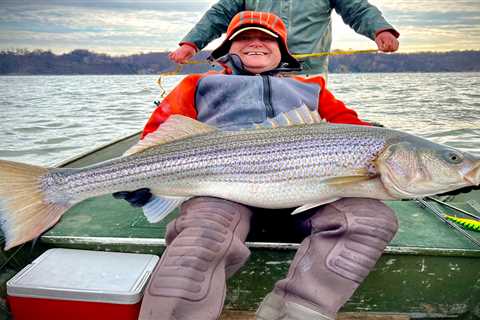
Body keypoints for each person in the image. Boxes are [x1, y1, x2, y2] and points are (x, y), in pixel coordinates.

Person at [114, 11, 398, 320]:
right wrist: (140, 177)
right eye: (244, 38)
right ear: (227, 48)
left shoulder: (313, 88)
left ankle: (293, 313)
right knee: (203, 233)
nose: (256, 43)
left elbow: (357, 134)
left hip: (311, 195)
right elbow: (156, 136)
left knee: (371, 219)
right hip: (221, 194)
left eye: (267, 39)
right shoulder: (198, 84)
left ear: (282, 50)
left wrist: (450, 175)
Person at [169, 0, 400, 76]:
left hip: (307, 74)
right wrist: (191, 44)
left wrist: (380, 30)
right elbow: (219, 14)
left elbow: (357, 10)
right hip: (249, 73)